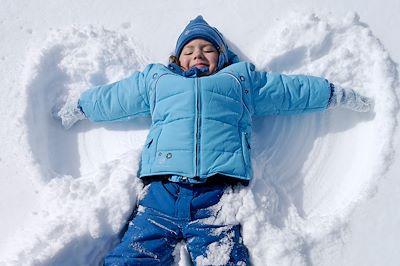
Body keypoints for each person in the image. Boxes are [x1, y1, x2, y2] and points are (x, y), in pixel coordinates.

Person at [54, 16, 372, 265]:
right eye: (189, 50)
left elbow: (289, 91)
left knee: (224, 257)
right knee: (134, 254)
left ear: (221, 56)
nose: (198, 55)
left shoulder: (240, 80)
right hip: (162, 191)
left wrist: (335, 94)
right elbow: (117, 97)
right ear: (177, 58)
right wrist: (81, 106)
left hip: (215, 196)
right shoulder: (158, 80)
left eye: (207, 49)